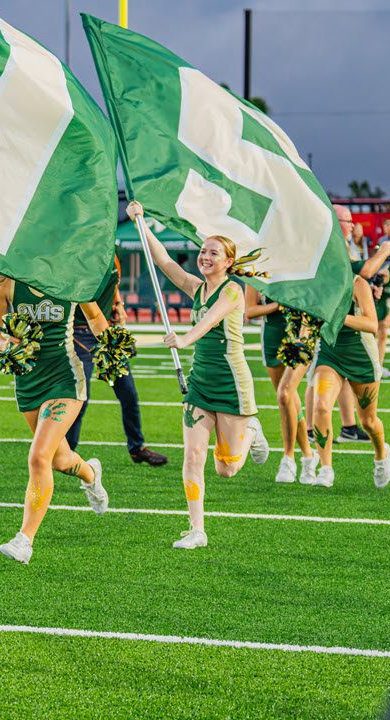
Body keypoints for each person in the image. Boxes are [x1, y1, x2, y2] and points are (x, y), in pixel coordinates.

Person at [127, 201, 270, 549]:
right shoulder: (196, 288)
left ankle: (252, 430)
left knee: (226, 469)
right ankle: (197, 530)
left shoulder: (233, 290)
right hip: (200, 383)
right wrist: (141, 223)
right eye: (203, 251)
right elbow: (165, 262)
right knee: (193, 456)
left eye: (214, 253)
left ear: (228, 262)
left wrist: (184, 339)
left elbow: (209, 321)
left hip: (231, 383)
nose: (205, 257)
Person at [0, 276, 113, 564]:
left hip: (65, 377)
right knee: (60, 460)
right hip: (27, 380)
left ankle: (24, 540)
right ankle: (91, 474)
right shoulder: (8, 283)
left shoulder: (71, 279)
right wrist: (6, 346)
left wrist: (110, 347)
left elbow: (95, 317)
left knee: (39, 456)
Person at [64, 254, 168, 467]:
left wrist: (118, 304)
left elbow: (115, 284)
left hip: (106, 331)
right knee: (81, 397)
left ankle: (137, 448)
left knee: (128, 392)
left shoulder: (112, 256)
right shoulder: (77, 255)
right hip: (79, 332)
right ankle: (66, 452)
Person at [309, 273, 390, 488]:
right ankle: (325, 468)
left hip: (360, 354)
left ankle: (381, 454)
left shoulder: (357, 283)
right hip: (329, 352)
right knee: (321, 406)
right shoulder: (314, 280)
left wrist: (337, 316)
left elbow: (372, 324)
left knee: (368, 421)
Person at [244, 286, 317, 484]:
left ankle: (288, 458)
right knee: (289, 400)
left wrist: (303, 335)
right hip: (272, 338)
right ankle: (308, 455)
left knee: (285, 394)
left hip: (302, 334)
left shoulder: (304, 270)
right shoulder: (258, 272)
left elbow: (315, 301)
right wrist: (278, 305)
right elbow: (250, 311)